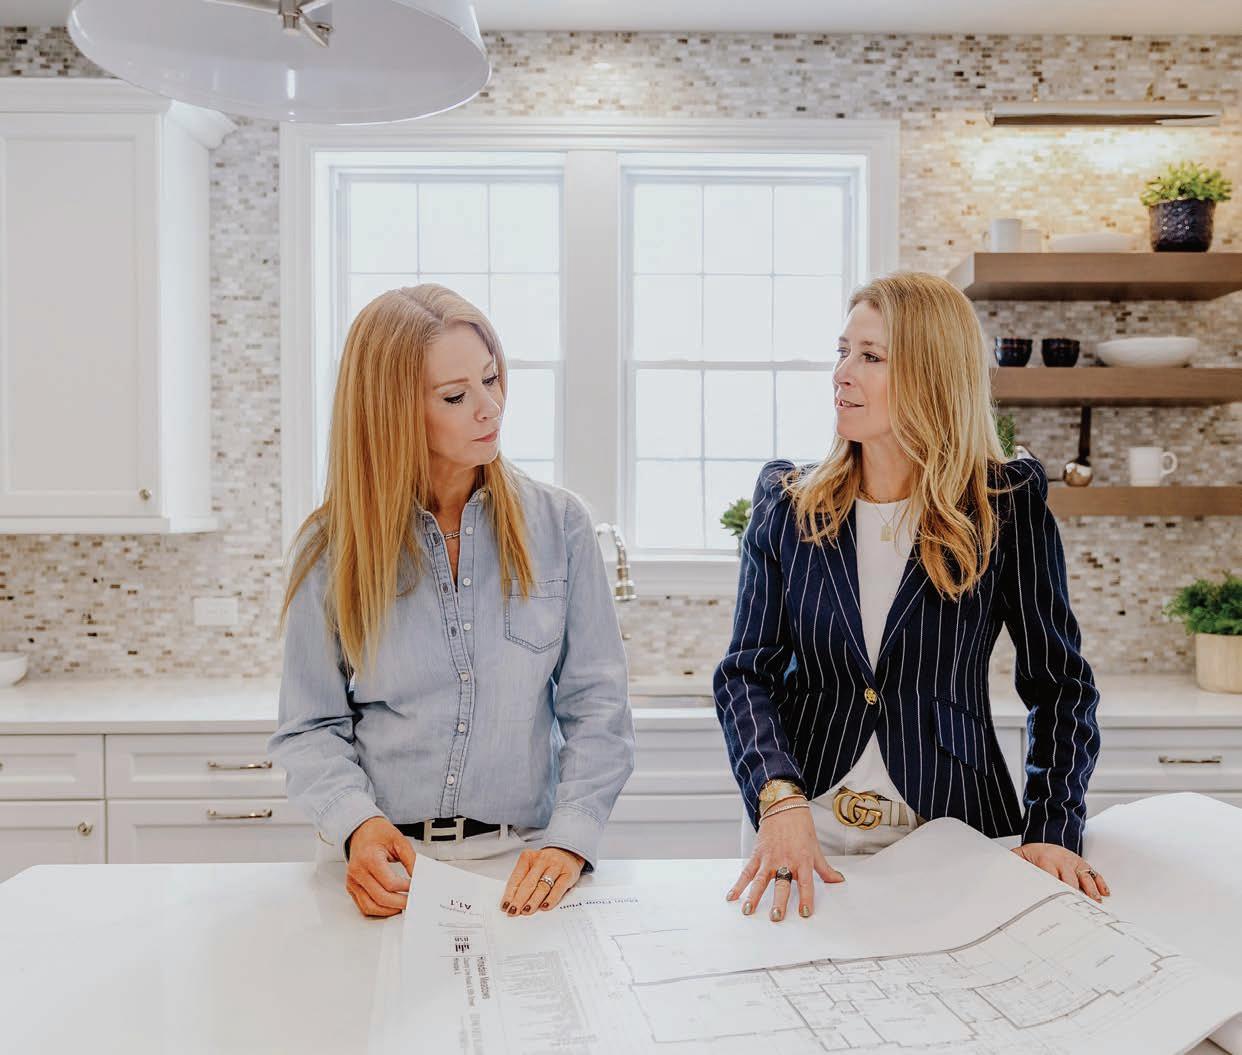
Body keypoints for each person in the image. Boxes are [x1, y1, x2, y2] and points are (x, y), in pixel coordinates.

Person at [714, 271, 1105, 925]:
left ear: (932, 374)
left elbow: (1060, 685)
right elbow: (744, 673)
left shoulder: (1005, 505)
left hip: (956, 829)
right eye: (843, 351)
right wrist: (777, 798)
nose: (842, 373)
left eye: (870, 356)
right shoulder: (787, 503)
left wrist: (1053, 828)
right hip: (806, 835)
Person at [270, 284, 634, 919]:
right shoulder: (330, 547)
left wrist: (568, 841)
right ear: (391, 412)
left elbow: (598, 708)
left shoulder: (561, 526)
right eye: (455, 397)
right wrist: (357, 824)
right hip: (383, 870)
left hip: (519, 866)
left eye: (491, 379)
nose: (490, 408)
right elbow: (310, 727)